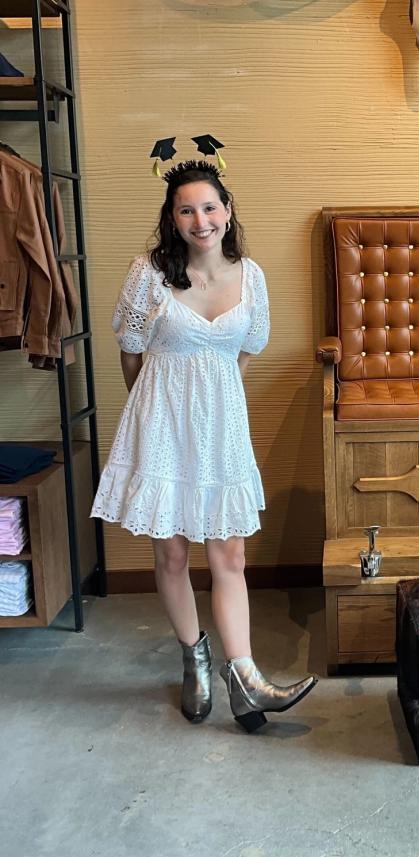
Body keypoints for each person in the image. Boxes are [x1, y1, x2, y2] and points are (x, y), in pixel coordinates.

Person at [90, 159, 316, 732]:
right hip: (159, 417)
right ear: (172, 218)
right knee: (171, 552)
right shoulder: (149, 273)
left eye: (210, 206)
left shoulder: (251, 276)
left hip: (221, 423)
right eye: (186, 209)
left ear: (228, 210)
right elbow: (131, 351)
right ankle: (194, 657)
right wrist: (153, 413)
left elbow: (241, 354)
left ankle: (245, 680)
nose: (200, 219)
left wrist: (214, 396)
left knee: (229, 556)